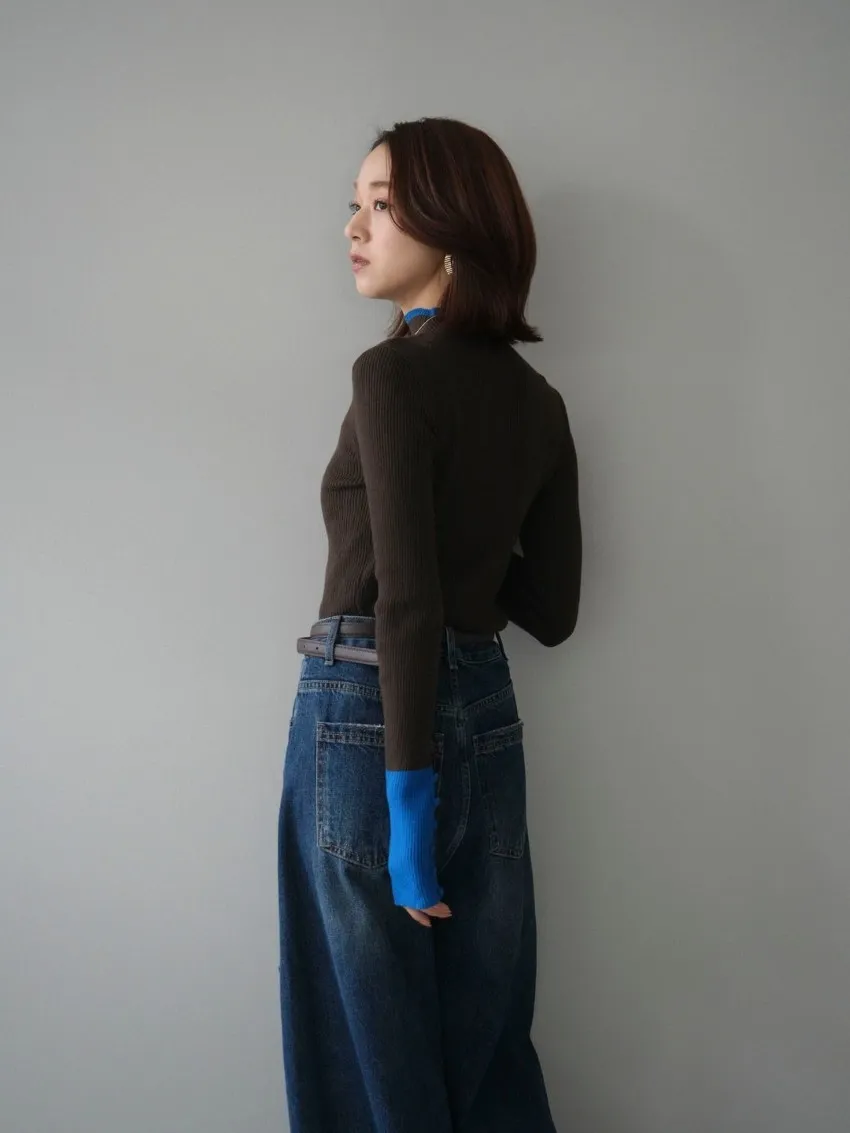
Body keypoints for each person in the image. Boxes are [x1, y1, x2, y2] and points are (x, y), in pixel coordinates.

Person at [277, 116, 582, 1133]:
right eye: (355, 204)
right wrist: (474, 533)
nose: (353, 227)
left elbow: (403, 603)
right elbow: (552, 611)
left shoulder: (391, 374)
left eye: (382, 204)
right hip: (485, 714)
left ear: (452, 229)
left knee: (365, 1058)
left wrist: (407, 824)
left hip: (368, 714)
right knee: (485, 1050)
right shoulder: (538, 402)